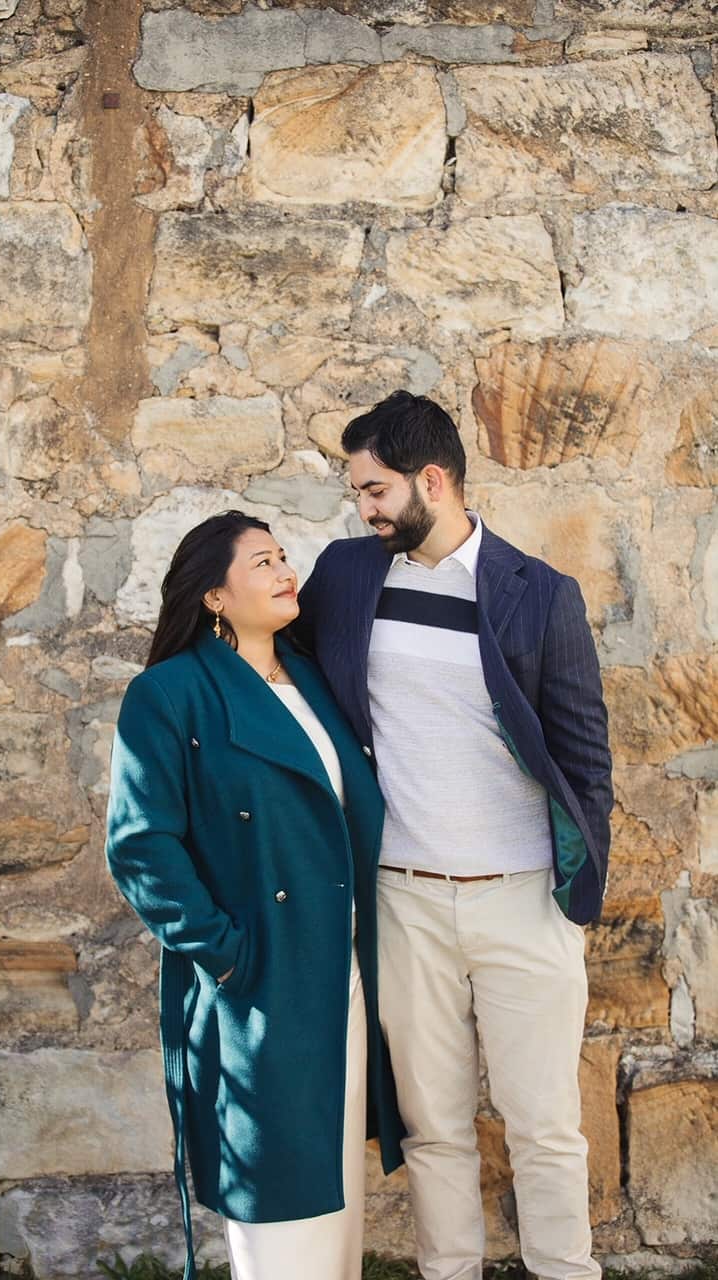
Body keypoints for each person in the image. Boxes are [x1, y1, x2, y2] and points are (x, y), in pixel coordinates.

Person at [296, 391, 613, 1280]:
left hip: (523, 901)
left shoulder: (540, 595)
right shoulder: (349, 577)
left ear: (432, 481)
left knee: (543, 1124)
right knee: (432, 1125)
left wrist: (578, 892)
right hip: (405, 902)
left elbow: (587, 757)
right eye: (360, 493)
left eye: (374, 490)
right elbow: (292, 684)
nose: (362, 508)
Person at [105, 510, 404, 1280]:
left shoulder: (313, 681)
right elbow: (141, 846)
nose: (283, 572)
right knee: (278, 1201)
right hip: (261, 983)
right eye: (262, 562)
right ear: (213, 595)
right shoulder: (168, 695)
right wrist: (230, 953)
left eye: (283, 557)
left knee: (334, 1192)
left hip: (341, 972)